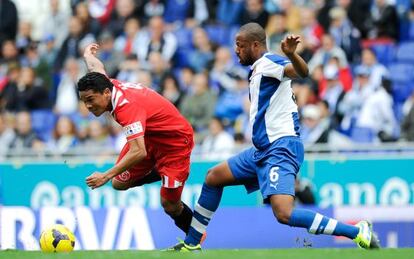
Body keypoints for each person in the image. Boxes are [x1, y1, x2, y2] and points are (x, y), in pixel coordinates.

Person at [169, 23, 380, 251]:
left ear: (255, 45)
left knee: (284, 213)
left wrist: (290, 54)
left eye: (240, 46)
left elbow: (302, 72)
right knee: (213, 177)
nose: (236, 50)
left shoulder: (270, 62)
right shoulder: (259, 68)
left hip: (281, 148)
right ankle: (191, 244)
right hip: (261, 150)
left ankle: (357, 231)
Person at [77, 43, 195, 237]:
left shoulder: (126, 107)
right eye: (84, 101)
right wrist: (87, 55)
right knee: (119, 183)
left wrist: (105, 175)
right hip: (150, 137)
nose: (88, 105)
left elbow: (138, 151)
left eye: (90, 99)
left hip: (175, 144)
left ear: (106, 93)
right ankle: (159, 171)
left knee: (169, 204)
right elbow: (96, 68)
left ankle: (195, 240)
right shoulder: (105, 84)